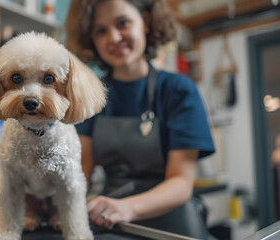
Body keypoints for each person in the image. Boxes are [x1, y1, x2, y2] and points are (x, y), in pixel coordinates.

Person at [66, 0, 215, 238]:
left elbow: (181, 182)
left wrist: (126, 208)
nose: (114, 38)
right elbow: (80, 171)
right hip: (112, 223)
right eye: (100, 30)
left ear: (145, 21)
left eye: (122, 23)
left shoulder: (178, 90)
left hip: (173, 223)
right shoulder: (91, 96)